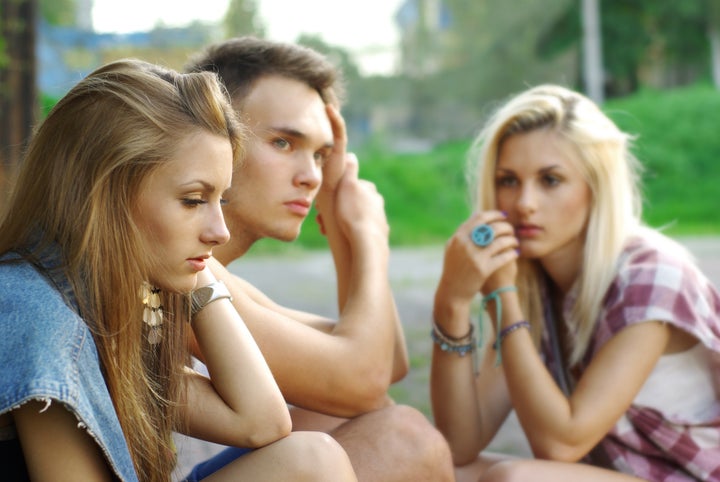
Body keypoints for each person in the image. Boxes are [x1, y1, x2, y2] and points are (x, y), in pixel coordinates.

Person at [0, 59, 357, 481]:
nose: (220, 232)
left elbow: (260, 422)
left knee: (315, 457)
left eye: (220, 200)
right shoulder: (38, 318)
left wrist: (196, 274)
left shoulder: (117, 298)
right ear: (105, 196)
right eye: (192, 200)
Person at [184, 36, 454, 481]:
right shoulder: (177, 263)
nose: (311, 177)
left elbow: (383, 364)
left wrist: (337, 206)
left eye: (323, 155)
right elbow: (361, 379)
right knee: (404, 438)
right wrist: (369, 238)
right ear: (214, 138)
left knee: (356, 419)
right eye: (284, 143)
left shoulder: (212, 271)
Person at [430, 84, 720, 482]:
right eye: (508, 180)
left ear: (595, 186)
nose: (524, 203)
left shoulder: (652, 277)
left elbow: (561, 444)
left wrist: (501, 295)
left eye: (550, 180)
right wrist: (452, 302)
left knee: (514, 479)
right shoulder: (530, 285)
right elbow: (459, 443)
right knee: (438, 468)